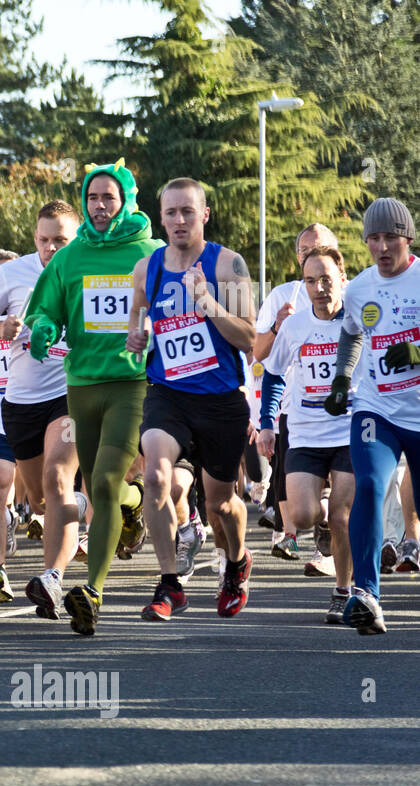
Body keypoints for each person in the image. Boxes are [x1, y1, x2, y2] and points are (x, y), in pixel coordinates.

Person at [23, 159, 161, 635]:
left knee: (99, 482)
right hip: (81, 385)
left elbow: (176, 309)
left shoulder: (150, 253)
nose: (100, 207)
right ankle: (134, 498)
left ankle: (93, 590)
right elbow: (47, 307)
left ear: (126, 201)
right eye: (93, 199)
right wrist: (43, 327)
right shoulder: (71, 256)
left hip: (131, 383)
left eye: (109, 198)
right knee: (103, 487)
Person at [126, 178, 256, 622]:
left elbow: (250, 339)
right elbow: (138, 316)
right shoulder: (148, 268)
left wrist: (210, 305)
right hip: (169, 394)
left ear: (204, 215)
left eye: (187, 212)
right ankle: (170, 583)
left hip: (220, 399)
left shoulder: (228, 265)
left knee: (221, 504)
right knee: (157, 478)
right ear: (159, 217)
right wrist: (136, 334)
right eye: (170, 213)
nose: (179, 220)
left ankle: (237, 564)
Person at [0, 201, 86, 616]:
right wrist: (1, 328)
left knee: (58, 480)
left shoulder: (92, 271)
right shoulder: (13, 274)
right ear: (33, 237)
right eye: (44, 240)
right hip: (19, 402)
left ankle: (52, 579)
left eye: (61, 240)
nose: (52, 248)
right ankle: (80, 508)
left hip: (73, 394)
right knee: (39, 501)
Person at [324, 197, 420, 634]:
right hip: (376, 407)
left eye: (391, 237)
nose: (382, 247)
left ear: (408, 238)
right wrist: (342, 379)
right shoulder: (359, 288)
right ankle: (366, 595)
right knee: (368, 483)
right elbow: (351, 336)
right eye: (374, 238)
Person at [259, 245, 357, 623]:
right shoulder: (296, 325)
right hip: (304, 433)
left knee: (342, 517)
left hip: (348, 431)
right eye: (311, 280)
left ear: (342, 280)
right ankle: (320, 518)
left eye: (326, 279)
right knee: (301, 515)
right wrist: (268, 422)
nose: (319, 288)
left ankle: (343, 590)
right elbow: (273, 372)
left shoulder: (357, 321)